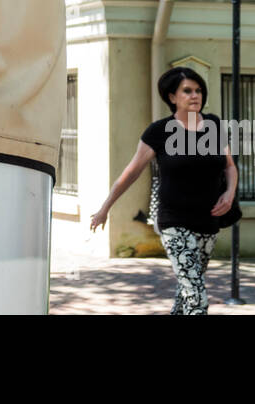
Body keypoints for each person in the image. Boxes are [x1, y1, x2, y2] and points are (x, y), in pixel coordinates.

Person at [89, 68, 237, 315]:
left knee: (186, 292)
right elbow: (131, 172)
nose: (195, 96)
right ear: (172, 97)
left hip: (208, 221)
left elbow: (229, 167)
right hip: (174, 222)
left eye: (198, 90)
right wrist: (105, 208)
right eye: (187, 91)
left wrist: (230, 192)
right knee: (196, 298)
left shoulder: (213, 126)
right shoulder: (159, 132)